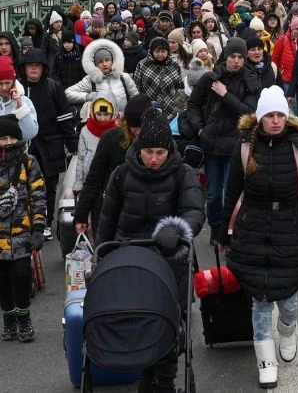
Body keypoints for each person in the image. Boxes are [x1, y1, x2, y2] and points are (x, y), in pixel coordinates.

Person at [214, 86, 298, 389]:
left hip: (289, 228)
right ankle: (266, 360)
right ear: (261, 118)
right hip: (252, 228)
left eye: (280, 115)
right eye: (270, 115)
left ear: (286, 117)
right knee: (260, 300)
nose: (276, 120)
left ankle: (287, 330)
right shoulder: (245, 147)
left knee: (288, 298)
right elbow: (232, 191)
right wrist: (221, 232)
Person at [97, 107, 204, 393]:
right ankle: (146, 379)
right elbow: (107, 219)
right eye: (148, 152)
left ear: (169, 150)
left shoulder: (184, 175)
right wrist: (101, 259)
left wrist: (177, 229)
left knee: (167, 324)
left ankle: (166, 383)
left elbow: (194, 211)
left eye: (160, 152)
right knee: (138, 322)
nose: (154, 159)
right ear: (138, 148)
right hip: (129, 256)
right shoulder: (121, 175)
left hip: (170, 260)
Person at [0, 114, 47, 342]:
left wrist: (38, 228)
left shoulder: (28, 162)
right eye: (3, 138)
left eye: (13, 137)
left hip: (22, 230)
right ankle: (8, 317)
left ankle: (24, 316)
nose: (8, 142)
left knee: (21, 274)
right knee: (1, 277)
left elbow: (38, 195)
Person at [184, 36, 262, 234]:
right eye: (232, 56)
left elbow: (249, 112)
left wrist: (225, 95)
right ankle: (215, 227)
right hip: (211, 143)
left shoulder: (251, 80)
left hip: (236, 144)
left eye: (240, 57)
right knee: (212, 193)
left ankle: (229, 229)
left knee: (231, 192)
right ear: (225, 57)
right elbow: (193, 104)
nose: (236, 61)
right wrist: (200, 128)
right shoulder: (211, 78)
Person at [18, 47, 77, 241]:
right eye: (29, 66)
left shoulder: (53, 87)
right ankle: (26, 221)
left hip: (50, 142)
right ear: (24, 68)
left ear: (43, 68)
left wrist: (73, 145)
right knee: (23, 184)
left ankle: (45, 222)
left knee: (49, 185)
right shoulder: (18, 89)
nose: (33, 70)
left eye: (37, 66)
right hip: (25, 144)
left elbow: (65, 118)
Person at [74, 94, 152, 232]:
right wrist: (81, 215)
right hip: (108, 209)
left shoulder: (156, 141)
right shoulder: (111, 138)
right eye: (133, 126)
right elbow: (94, 178)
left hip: (142, 212)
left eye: (141, 127)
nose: (137, 132)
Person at [66, 38, 140, 113]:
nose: (104, 64)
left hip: (123, 121)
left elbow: (136, 99)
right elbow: (68, 93)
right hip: (102, 121)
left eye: (107, 60)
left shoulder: (124, 77)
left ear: (112, 61)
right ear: (95, 64)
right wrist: (88, 96)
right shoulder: (91, 80)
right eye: (100, 62)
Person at [65, 98, 117, 203]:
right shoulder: (85, 131)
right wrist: (78, 182)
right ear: (93, 113)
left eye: (106, 114)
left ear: (113, 114)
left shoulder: (118, 132)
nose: (102, 118)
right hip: (89, 179)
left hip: (111, 181)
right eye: (99, 114)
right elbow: (81, 157)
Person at [133, 36, 186, 117]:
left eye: (163, 51)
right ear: (151, 52)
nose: (160, 54)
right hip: (149, 108)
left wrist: (176, 104)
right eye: (157, 51)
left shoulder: (174, 66)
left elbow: (180, 87)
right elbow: (137, 87)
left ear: (168, 52)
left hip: (171, 109)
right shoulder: (143, 65)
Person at [271, 16, 298, 87]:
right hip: (286, 81)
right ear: (292, 28)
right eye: (297, 29)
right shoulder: (282, 40)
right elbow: (274, 61)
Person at [51, 26, 86, 91]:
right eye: (64, 43)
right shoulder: (58, 57)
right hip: (62, 90)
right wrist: (60, 86)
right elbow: (53, 73)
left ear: (73, 42)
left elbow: (84, 75)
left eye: (69, 42)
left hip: (77, 90)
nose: (66, 45)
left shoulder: (79, 57)